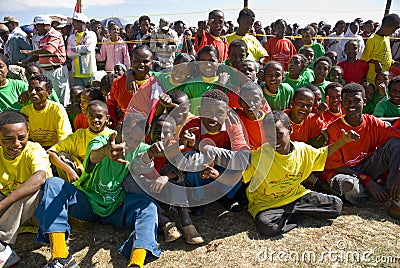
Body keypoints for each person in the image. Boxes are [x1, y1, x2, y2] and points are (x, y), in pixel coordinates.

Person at [35, 124, 163, 267]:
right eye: (127, 135)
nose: (129, 142)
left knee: (148, 207)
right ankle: (60, 256)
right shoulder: (101, 141)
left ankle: (136, 263)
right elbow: (93, 157)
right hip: (86, 201)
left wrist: (162, 150)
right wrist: (105, 151)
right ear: (120, 127)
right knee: (54, 184)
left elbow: (165, 153)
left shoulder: (141, 150)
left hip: (116, 206)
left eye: (135, 139)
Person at [242, 110, 359, 236]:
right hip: (267, 204)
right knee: (267, 226)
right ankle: (298, 214)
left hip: (296, 196)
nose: (274, 141)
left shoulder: (302, 150)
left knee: (336, 206)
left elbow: (323, 153)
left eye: (279, 134)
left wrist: (343, 140)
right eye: (269, 136)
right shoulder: (258, 157)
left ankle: (291, 213)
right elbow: (238, 173)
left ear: (290, 130)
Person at [322, 83, 400, 219]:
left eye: (356, 100)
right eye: (347, 101)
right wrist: (368, 181)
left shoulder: (372, 122)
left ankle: (394, 196)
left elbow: (396, 136)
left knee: (395, 144)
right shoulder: (334, 128)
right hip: (345, 172)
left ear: (364, 101)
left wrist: (398, 174)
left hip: (366, 166)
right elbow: (336, 166)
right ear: (342, 104)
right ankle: (370, 191)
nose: (352, 105)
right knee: (350, 187)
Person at [181, 89, 250, 214]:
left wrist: (201, 147)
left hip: (222, 168)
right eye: (208, 112)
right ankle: (198, 200)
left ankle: (228, 197)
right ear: (200, 111)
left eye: (219, 112)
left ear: (227, 113)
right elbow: (184, 157)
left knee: (240, 169)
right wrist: (205, 161)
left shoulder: (233, 125)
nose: (213, 118)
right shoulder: (191, 126)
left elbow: (243, 160)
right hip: (202, 169)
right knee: (192, 169)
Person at [0, 111, 52, 267]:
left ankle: (1, 246)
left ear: (28, 134)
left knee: (31, 190)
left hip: (36, 212)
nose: (16, 144)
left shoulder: (34, 150)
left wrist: (3, 204)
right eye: (8, 139)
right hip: (11, 216)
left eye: (22, 138)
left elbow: (40, 177)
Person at [48, 100, 114, 182]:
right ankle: (70, 190)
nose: (95, 120)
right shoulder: (79, 135)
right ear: (86, 117)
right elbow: (51, 153)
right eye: (91, 116)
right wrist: (69, 171)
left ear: (107, 118)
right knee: (61, 156)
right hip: (80, 177)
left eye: (99, 117)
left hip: (102, 179)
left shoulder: (112, 136)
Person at [21, 15, 71, 106]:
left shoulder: (55, 35)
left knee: (61, 97)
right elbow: (37, 55)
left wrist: (30, 52)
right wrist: (24, 63)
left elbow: (48, 49)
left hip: (56, 70)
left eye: (37, 26)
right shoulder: (43, 37)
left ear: (45, 25)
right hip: (46, 71)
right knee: (49, 95)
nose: (36, 28)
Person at [20, 75, 72, 148]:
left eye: (38, 89)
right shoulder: (25, 111)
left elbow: (64, 138)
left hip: (56, 148)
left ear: (48, 93)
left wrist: (50, 152)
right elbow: (24, 138)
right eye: (30, 89)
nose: (33, 92)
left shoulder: (57, 109)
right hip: (35, 149)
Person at [361, 14, 400, 85]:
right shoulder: (372, 40)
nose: (393, 32)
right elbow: (364, 57)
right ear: (386, 27)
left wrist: (393, 62)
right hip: (374, 79)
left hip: (385, 77)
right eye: (393, 29)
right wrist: (375, 62)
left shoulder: (387, 38)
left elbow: (385, 54)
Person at [66, 12, 97, 87]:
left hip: (89, 71)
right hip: (76, 73)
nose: (73, 23)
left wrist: (75, 49)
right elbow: (69, 54)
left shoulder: (91, 34)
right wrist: (81, 51)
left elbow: (89, 48)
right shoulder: (71, 37)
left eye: (75, 21)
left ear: (81, 22)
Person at [236, 82, 266, 150]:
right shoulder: (237, 116)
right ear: (240, 102)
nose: (250, 104)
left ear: (262, 102)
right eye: (246, 100)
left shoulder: (268, 122)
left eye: (255, 100)